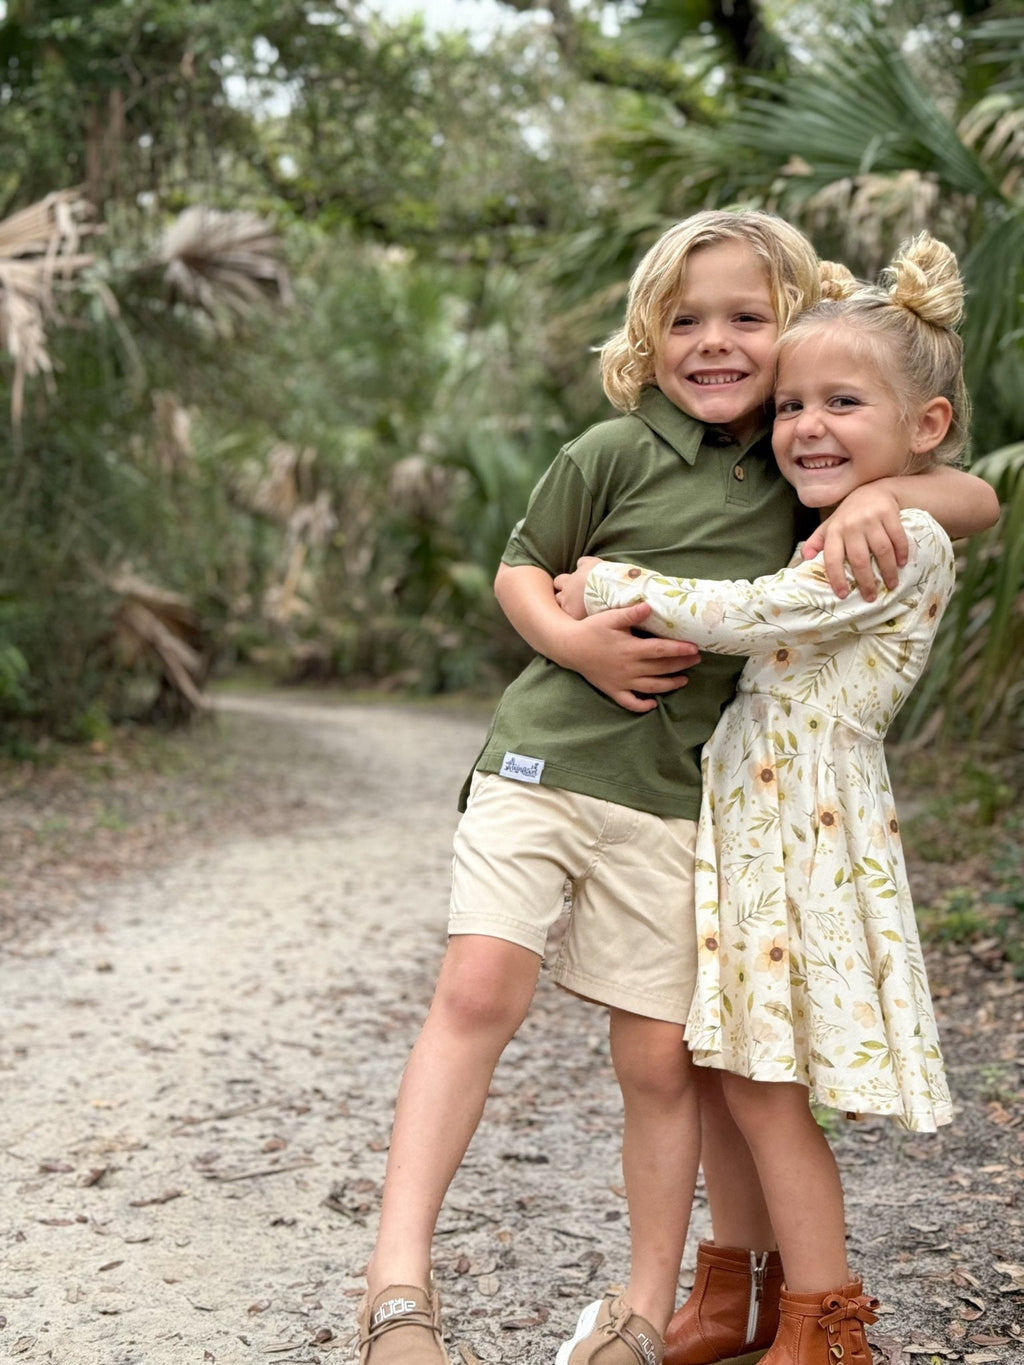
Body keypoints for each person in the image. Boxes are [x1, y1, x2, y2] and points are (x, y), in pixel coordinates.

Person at [356, 210, 997, 1365]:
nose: (715, 343)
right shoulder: (621, 450)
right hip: (574, 769)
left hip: (704, 809)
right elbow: (519, 569)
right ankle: (401, 1290)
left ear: (792, 331)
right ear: (647, 337)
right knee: (505, 1001)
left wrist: (869, 501)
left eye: (748, 320)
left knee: (685, 1063)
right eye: (685, 320)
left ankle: (693, 1310)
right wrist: (578, 640)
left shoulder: (808, 482)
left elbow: (964, 499)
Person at [552, 232, 972, 1365]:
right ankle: (731, 1295)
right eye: (791, 404)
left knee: (770, 1085)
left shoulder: (897, 535)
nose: (803, 426)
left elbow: (749, 616)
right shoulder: (845, 509)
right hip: (747, 820)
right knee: (724, 1063)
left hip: (807, 827)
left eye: (842, 402)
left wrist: (603, 583)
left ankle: (824, 1321)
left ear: (921, 428)